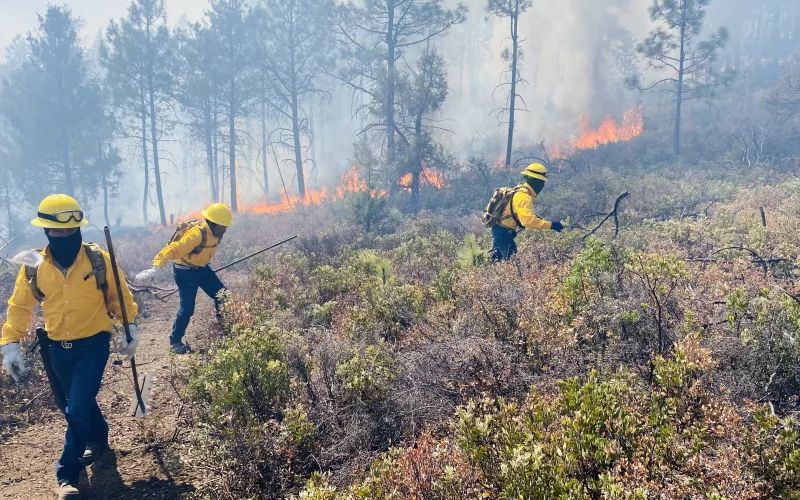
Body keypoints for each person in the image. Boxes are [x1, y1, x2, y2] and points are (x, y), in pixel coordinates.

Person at [0, 194, 139, 500]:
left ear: (78, 227)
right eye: (55, 231)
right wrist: (10, 342)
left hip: (94, 344)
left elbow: (120, 295)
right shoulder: (34, 266)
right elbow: (20, 306)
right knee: (75, 404)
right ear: (46, 231)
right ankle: (99, 439)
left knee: (76, 406)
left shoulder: (98, 259)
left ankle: (66, 474)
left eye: (68, 230)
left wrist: (129, 326)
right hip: (56, 347)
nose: (62, 236)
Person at [137, 203, 232, 354]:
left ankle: (224, 330)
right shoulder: (196, 235)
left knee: (223, 295)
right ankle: (175, 341)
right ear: (214, 224)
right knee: (187, 309)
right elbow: (173, 248)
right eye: (223, 227)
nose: (225, 230)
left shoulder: (215, 234)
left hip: (201, 269)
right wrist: (156, 267)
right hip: (185, 272)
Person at [491, 162, 564, 261]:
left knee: (497, 261)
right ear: (534, 181)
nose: (542, 185)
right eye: (541, 182)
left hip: (500, 230)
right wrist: (551, 225)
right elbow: (528, 221)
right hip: (502, 233)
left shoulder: (520, 191)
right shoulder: (524, 196)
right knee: (512, 263)